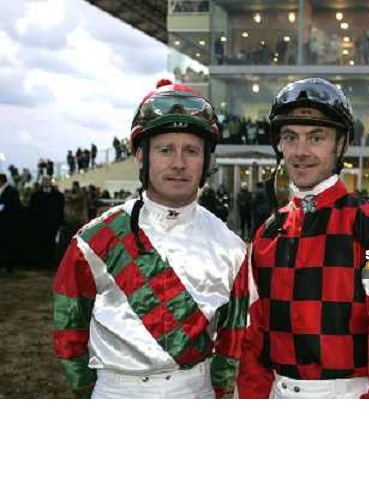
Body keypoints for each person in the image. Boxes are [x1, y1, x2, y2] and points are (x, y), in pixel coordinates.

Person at [53, 79, 248, 399]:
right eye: (165, 149)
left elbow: (233, 338)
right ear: (141, 157)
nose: (179, 164)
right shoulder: (95, 239)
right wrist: (89, 388)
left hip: (196, 393)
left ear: (207, 161)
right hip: (116, 393)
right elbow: (68, 329)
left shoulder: (232, 247)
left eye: (191, 151)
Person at [237, 78, 369, 399]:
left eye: (316, 137)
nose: (301, 151)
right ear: (278, 144)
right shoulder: (266, 233)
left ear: (342, 144)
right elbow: (251, 343)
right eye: (290, 137)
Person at [28, 175, 65, 270]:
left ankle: (49, 264)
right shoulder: (36, 195)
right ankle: (40, 263)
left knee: (51, 244)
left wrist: (60, 223)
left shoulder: (58, 196)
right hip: (39, 224)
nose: (46, 182)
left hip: (52, 225)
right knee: (40, 243)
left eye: (48, 180)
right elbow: (32, 211)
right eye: (44, 180)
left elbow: (60, 211)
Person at [0, 173, 22, 274]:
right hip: (3, 222)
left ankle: (10, 266)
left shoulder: (11, 191)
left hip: (8, 223)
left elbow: (10, 206)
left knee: (9, 244)